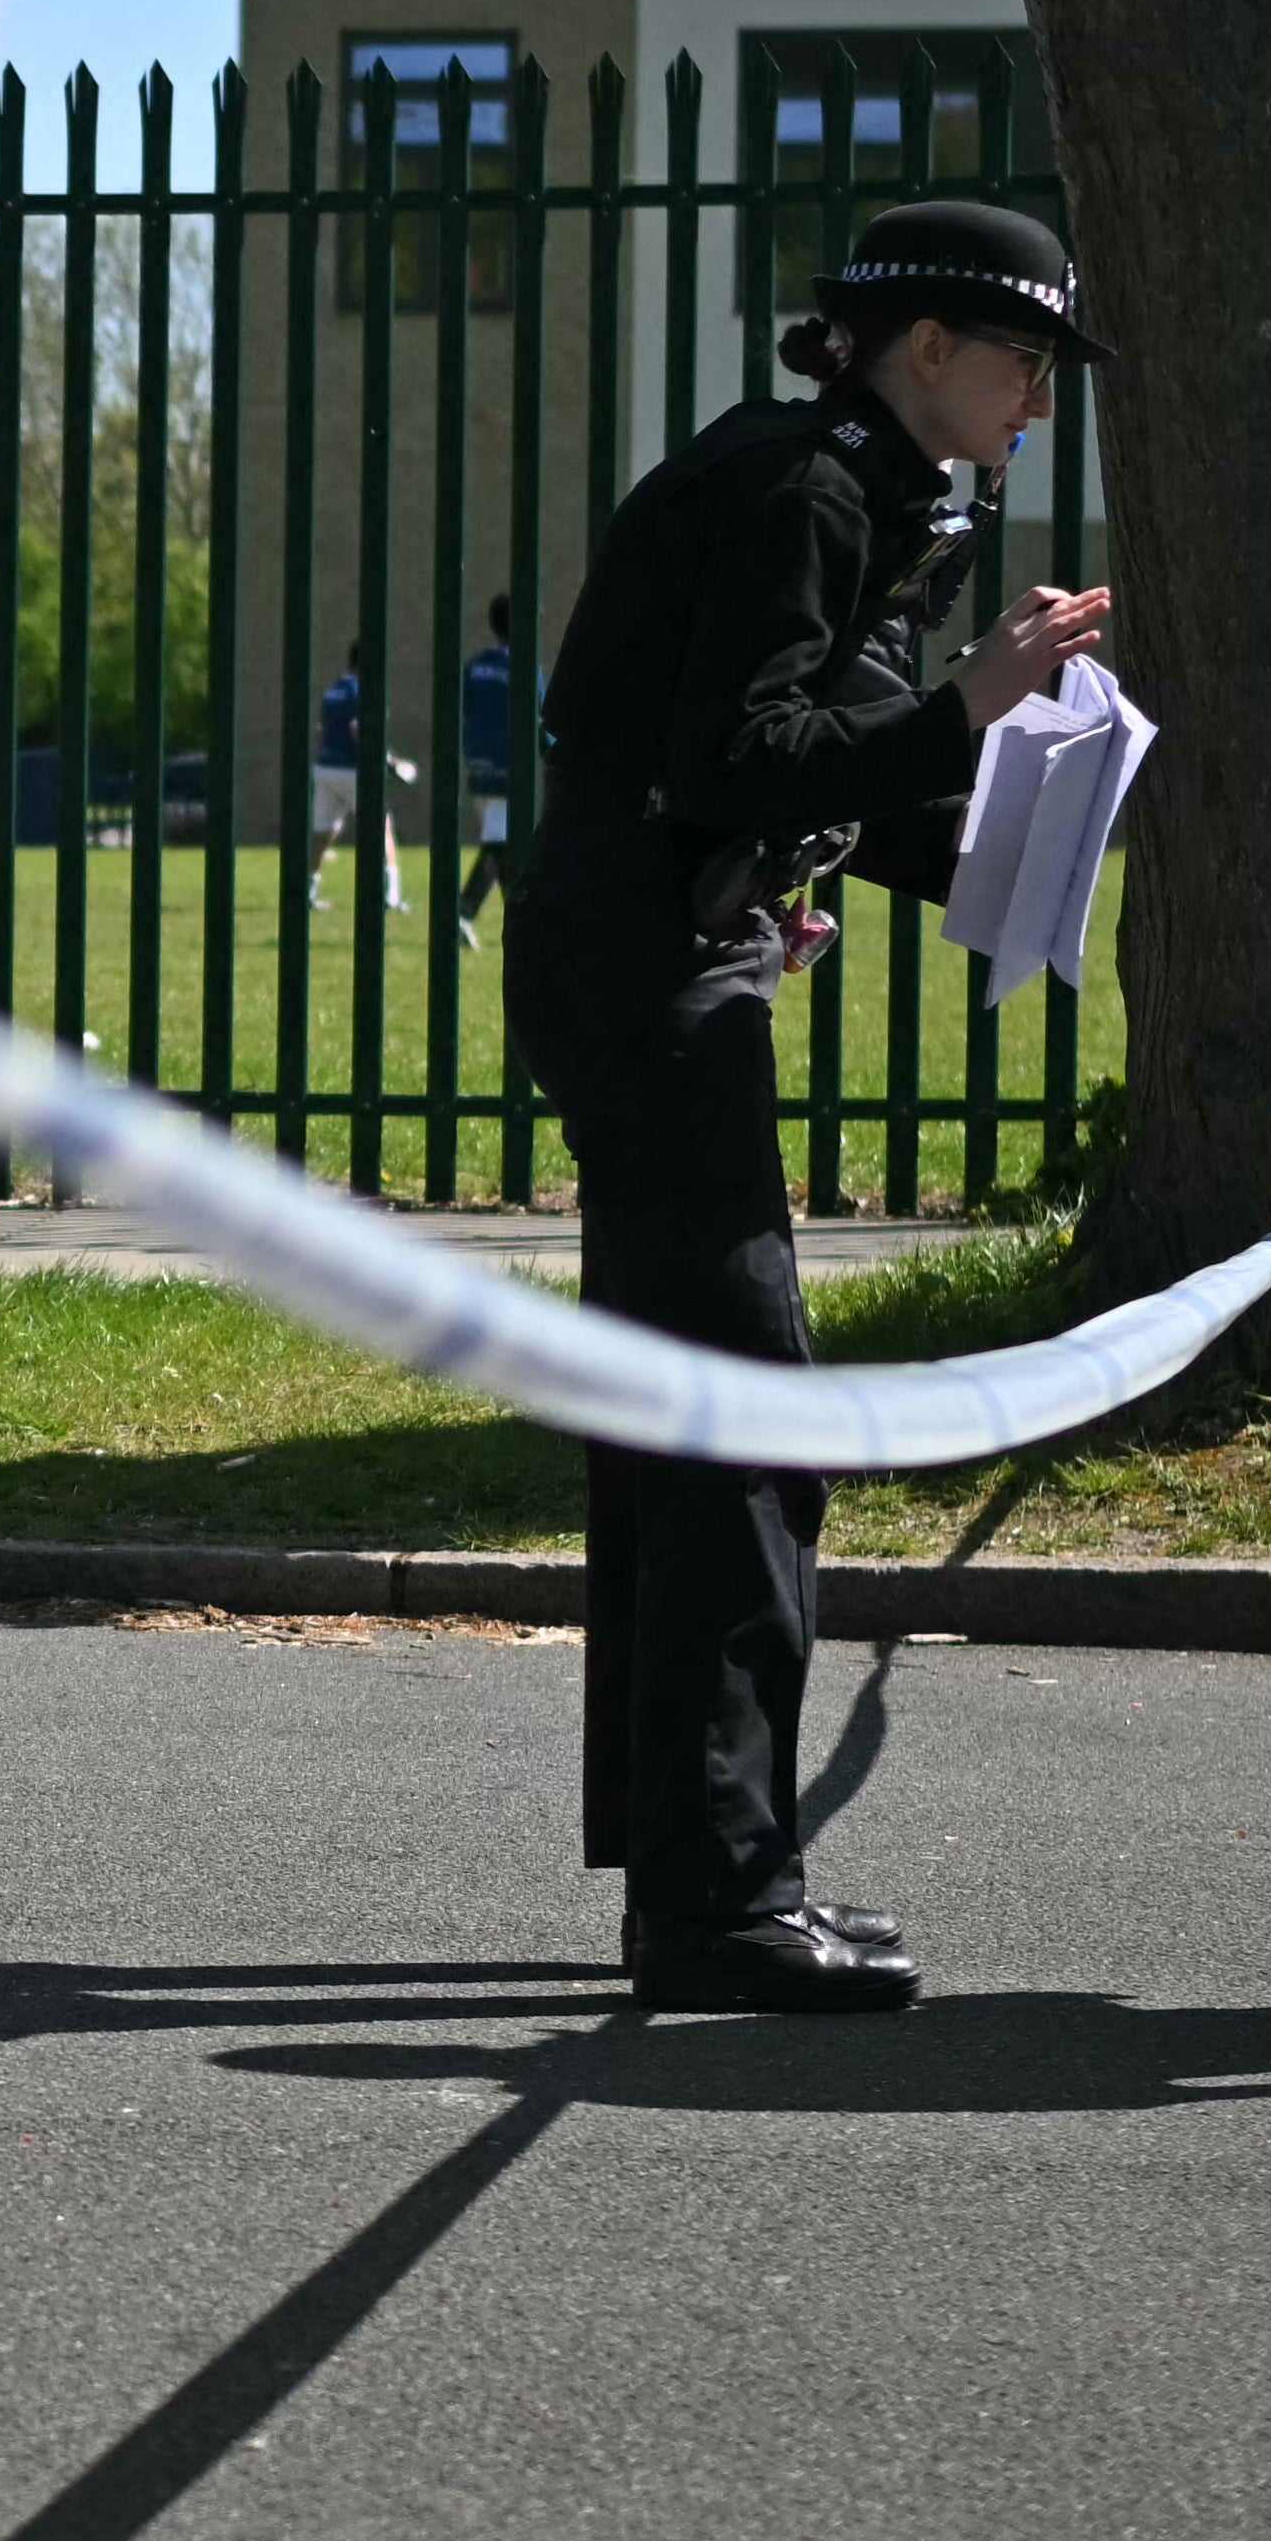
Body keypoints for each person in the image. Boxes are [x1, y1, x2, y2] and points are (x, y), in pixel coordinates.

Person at [514, 198, 1115, 2014]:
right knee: (744, 1420)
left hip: (640, 946)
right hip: (641, 970)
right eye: (1018, 362)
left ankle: (686, 1848)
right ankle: (715, 1894)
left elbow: (755, 760)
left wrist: (949, 794)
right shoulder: (809, 487)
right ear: (920, 345)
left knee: (680, 1411)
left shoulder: (847, 481)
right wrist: (971, 705)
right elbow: (732, 750)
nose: (1031, 402)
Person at [311, 637, 406, 910]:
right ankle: (391, 894)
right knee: (382, 829)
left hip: (326, 767)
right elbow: (359, 730)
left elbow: (321, 732)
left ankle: (308, 888)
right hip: (354, 771)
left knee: (322, 831)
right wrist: (385, 760)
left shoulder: (334, 690)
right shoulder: (362, 690)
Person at [456, 596, 525, 922]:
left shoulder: (474, 665)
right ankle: (513, 912)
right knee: (499, 843)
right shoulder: (522, 667)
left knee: (496, 838)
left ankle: (466, 913)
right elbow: (543, 715)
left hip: (477, 761)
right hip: (507, 763)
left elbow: (462, 709)